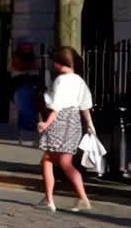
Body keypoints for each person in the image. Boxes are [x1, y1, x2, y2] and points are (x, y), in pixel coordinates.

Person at [35, 46, 93, 213]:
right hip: (74, 122)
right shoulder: (79, 81)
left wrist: (46, 123)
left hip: (59, 121)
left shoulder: (61, 80)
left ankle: (49, 200)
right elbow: (85, 106)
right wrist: (90, 124)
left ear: (61, 62)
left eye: (56, 62)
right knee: (66, 163)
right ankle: (83, 198)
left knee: (47, 160)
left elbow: (56, 106)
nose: (54, 65)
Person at [11, 40, 41, 145]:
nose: (27, 49)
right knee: (25, 111)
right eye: (25, 47)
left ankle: (27, 136)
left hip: (29, 86)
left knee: (30, 111)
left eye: (29, 47)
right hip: (21, 87)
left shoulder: (31, 58)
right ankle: (26, 136)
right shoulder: (17, 58)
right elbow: (19, 67)